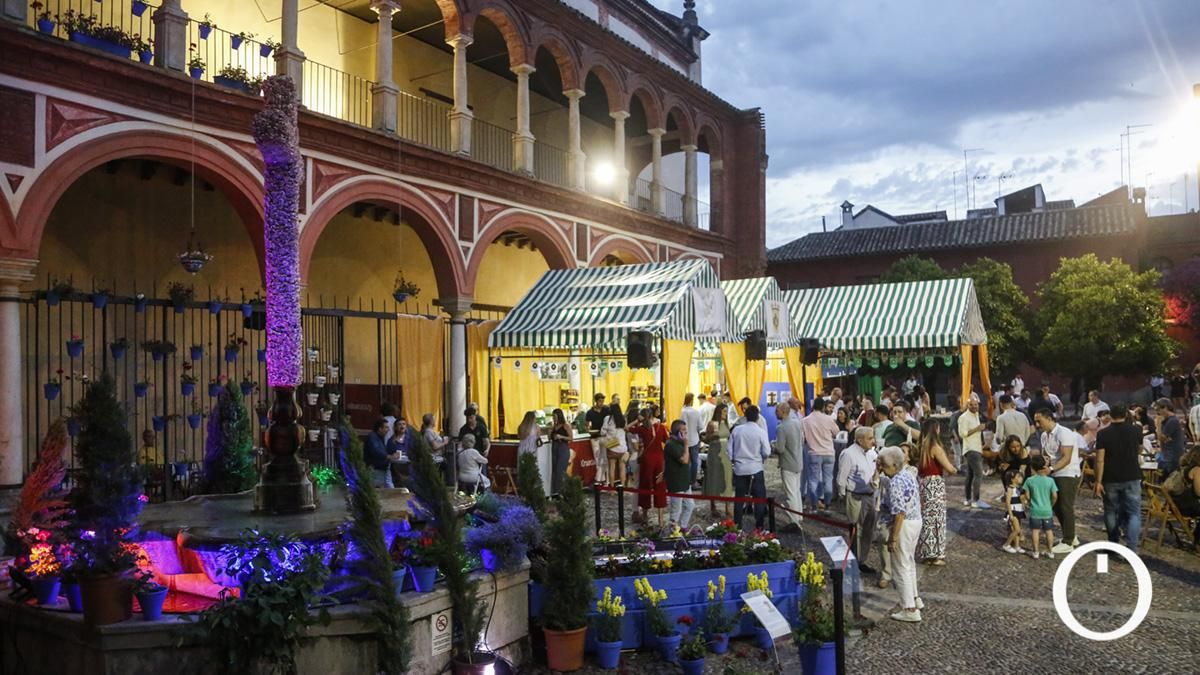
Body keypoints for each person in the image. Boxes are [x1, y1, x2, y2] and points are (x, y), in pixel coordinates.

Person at [879, 446, 923, 623]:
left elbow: (899, 513)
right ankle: (915, 599)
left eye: (884, 465)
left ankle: (909, 609)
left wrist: (893, 538)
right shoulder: (907, 475)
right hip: (915, 522)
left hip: (903, 525)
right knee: (909, 563)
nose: (881, 467)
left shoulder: (896, 481)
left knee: (901, 567)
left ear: (894, 465)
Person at [1093, 404, 1142, 551]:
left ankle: (1113, 543)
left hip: (1110, 476)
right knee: (1134, 512)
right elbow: (1139, 451)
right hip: (1132, 474)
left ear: (1110, 416)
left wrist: (1098, 481)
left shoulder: (1103, 434)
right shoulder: (1136, 431)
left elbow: (1100, 459)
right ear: (1126, 415)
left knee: (1110, 511)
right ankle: (1132, 547)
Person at [1034, 409, 1079, 554]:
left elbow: (1066, 457)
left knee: (1065, 505)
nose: (1037, 424)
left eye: (1039, 421)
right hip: (1053, 472)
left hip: (1067, 473)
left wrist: (1051, 469)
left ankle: (1068, 541)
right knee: (1056, 506)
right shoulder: (1043, 435)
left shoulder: (1064, 433)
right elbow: (1046, 454)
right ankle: (1070, 535)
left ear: (1048, 419)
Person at [837, 426, 879, 573]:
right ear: (860, 440)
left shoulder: (872, 453)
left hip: (870, 496)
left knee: (868, 530)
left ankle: (862, 560)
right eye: (869, 438)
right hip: (856, 496)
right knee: (856, 530)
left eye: (873, 437)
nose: (873, 441)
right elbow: (841, 478)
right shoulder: (848, 454)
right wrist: (843, 497)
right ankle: (855, 560)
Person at [916, 418, 957, 565]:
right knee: (937, 519)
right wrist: (955, 469)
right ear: (936, 429)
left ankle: (926, 552)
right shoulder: (935, 447)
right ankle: (936, 555)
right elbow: (949, 467)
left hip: (923, 483)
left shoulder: (921, 446)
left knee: (927, 518)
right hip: (934, 484)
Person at [729, 405, 771, 531]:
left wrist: (734, 460)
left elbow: (729, 449)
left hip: (740, 469)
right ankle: (759, 525)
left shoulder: (737, 430)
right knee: (759, 498)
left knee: (739, 497)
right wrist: (760, 458)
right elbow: (767, 451)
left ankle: (737, 525)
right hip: (756, 468)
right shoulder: (761, 432)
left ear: (745, 416)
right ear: (758, 417)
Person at [629, 408, 668, 525]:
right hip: (659, 459)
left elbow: (627, 428)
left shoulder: (641, 428)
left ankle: (645, 514)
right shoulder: (661, 427)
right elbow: (667, 440)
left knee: (645, 486)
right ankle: (661, 518)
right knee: (660, 486)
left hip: (647, 460)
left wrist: (637, 421)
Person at [803, 397, 839, 511]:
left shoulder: (805, 420)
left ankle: (814, 507)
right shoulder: (828, 419)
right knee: (828, 480)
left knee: (813, 480)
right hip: (829, 452)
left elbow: (802, 438)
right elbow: (836, 432)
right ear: (823, 407)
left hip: (814, 453)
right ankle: (827, 506)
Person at [1021, 455, 1058, 559]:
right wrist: (1051, 505)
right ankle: (1050, 552)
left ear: (1032, 467)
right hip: (1047, 510)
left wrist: (1028, 502)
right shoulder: (1050, 481)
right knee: (1049, 531)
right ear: (1044, 465)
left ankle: (1036, 552)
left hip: (1035, 510)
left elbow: (1027, 495)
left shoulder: (1029, 480)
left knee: (1035, 531)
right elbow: (1055, 496)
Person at [775, 402, 804, 531]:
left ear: (783, 411)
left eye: (777, 410)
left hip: (788, 463)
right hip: (798, 461)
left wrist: (773, 446)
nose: (776, 413)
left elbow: (780, 448)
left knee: (790, 493)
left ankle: (794, 521)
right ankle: (799, 516)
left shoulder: (781, 427)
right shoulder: (796, 423)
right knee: (796, 491)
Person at [958, 395, 989, 509]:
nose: (975, 407)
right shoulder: (963, 417)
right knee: (979, 474)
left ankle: (968, 499)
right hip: (971, 449)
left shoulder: (976, 415)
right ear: (967, 405)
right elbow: (963, 433)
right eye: (972, 404)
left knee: (970, 475)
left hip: (976, 448)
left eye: (976, 404)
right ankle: (976, 500)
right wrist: (977, 428)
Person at [702, 411, 734, 519]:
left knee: (726, 478)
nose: (725, 413)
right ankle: (713, 506)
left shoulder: (727, 423)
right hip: (714, 453)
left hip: (725, 452)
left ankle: (727, 508)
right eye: (724, 411)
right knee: (713, 477)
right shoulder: (712, 423)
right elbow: (706, 439)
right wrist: (714, 435)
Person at [1166, 447, 1200, 547]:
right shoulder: (1197, 470)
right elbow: (1199, 493)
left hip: (1176, 503)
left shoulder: (1182, 467)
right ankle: (1197, 538)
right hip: (1187, 506)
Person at [664, 419, 694, 528]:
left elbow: (688, 460)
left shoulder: (680, 443)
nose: (686, 433)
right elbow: (684, 460)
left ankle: (683, 527)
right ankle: (673, 531)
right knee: (676, 510)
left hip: (685, 480)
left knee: (690, 506)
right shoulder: (671, 444)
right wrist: (686, 445)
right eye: (684, 430)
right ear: (677, 431)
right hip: (676, 482)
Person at [364, 417, 400, 488]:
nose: (388, 430)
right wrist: (389, 456)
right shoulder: (373, 437)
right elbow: (376, 450)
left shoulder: (380, 438)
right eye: (386, 427)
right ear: (380, 429)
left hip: (380, 470)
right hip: (375, 470)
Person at [1153, 398, 1186, 476]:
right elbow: (1162, 440)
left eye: (1158, 410)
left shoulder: (1172, 421)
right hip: (1166, 455)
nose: (1157, 413)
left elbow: (1161, 438)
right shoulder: (1167, 420)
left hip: (1172, 457)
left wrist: (1158, 425)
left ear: (1165, 407)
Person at [601, 404, 629, 488]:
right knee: (622, 468)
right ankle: (622, 487)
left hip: (612, 446)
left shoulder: (607, 419)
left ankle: (612, 488)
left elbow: (602, 432)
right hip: (623, 447)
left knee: (611, 468)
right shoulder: (623, 419)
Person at [680, 393, 704, 489]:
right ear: (691, 400)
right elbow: (701, 427)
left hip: (683, 440)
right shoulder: (696, 412)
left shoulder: (681, 411)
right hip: (694, 439)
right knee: (694, 461)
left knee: (684, 461)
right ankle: (693, 482)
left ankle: (684, 480)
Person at [549, 408, 573, 496]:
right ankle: (555, 491)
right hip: (554, 448)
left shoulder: (566, 426)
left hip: (563, 448)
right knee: (554, 470)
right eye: (553, 417)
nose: (554, 418)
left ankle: (561, 492)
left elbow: (571, 438)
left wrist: (561, 436)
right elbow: (550, 437)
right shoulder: (554, 426)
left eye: (555, 417)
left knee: (560, 471)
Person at [1002, 470, 1026, 554]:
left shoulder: (1018, 488)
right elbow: (1008, 502)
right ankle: (1006, 544)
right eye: (1018, 477)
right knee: (1016, 529)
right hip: (1013, 510)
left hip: (1018, 510)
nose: (1021, 478)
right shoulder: (1010, 489)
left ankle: (1017, 545)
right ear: (1012, 479)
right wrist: (1010, 514)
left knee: (1018, 528)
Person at [587, 393, 609, 484]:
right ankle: (601, 480)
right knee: (598, 459)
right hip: (595, 437)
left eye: (603, 401)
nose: (602, 403)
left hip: (605, 437)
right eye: (600, 401)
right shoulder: (590, 412)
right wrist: (589, 430)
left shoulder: (607, 410)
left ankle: (601, 480)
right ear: (596, 401)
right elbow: (587, 425)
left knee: (605, 458)